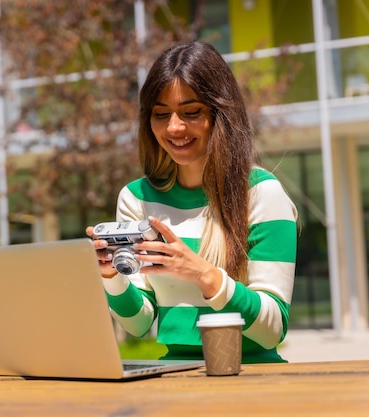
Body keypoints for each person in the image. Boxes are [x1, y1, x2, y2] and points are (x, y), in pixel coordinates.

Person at [86, 40, 298, 364]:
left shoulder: (263, 194)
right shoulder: (136, 199)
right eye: (161, 114)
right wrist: (111, 277)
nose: (174, 127)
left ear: (220, 114)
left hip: (251, 377)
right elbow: (140, 323)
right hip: (172, 377)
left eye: (191, 112)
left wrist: (202, 275)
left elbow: (273, 329)